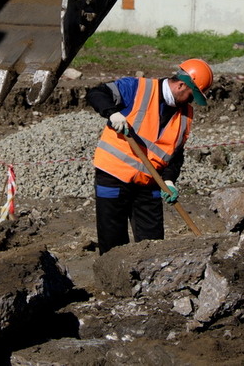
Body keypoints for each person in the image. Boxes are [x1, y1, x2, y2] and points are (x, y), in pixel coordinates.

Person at [86, 58, 213, 254]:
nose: (191, 101)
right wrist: (112, 113)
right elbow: (96, 93)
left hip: (150, 182)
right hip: (113, 175)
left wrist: (169, 180)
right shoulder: (137, 88)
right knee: (113, 242)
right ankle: (114, 282)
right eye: (191, 95)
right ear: (181, 85)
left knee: (153, 245)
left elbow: (175, 154)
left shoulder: (185, 116)